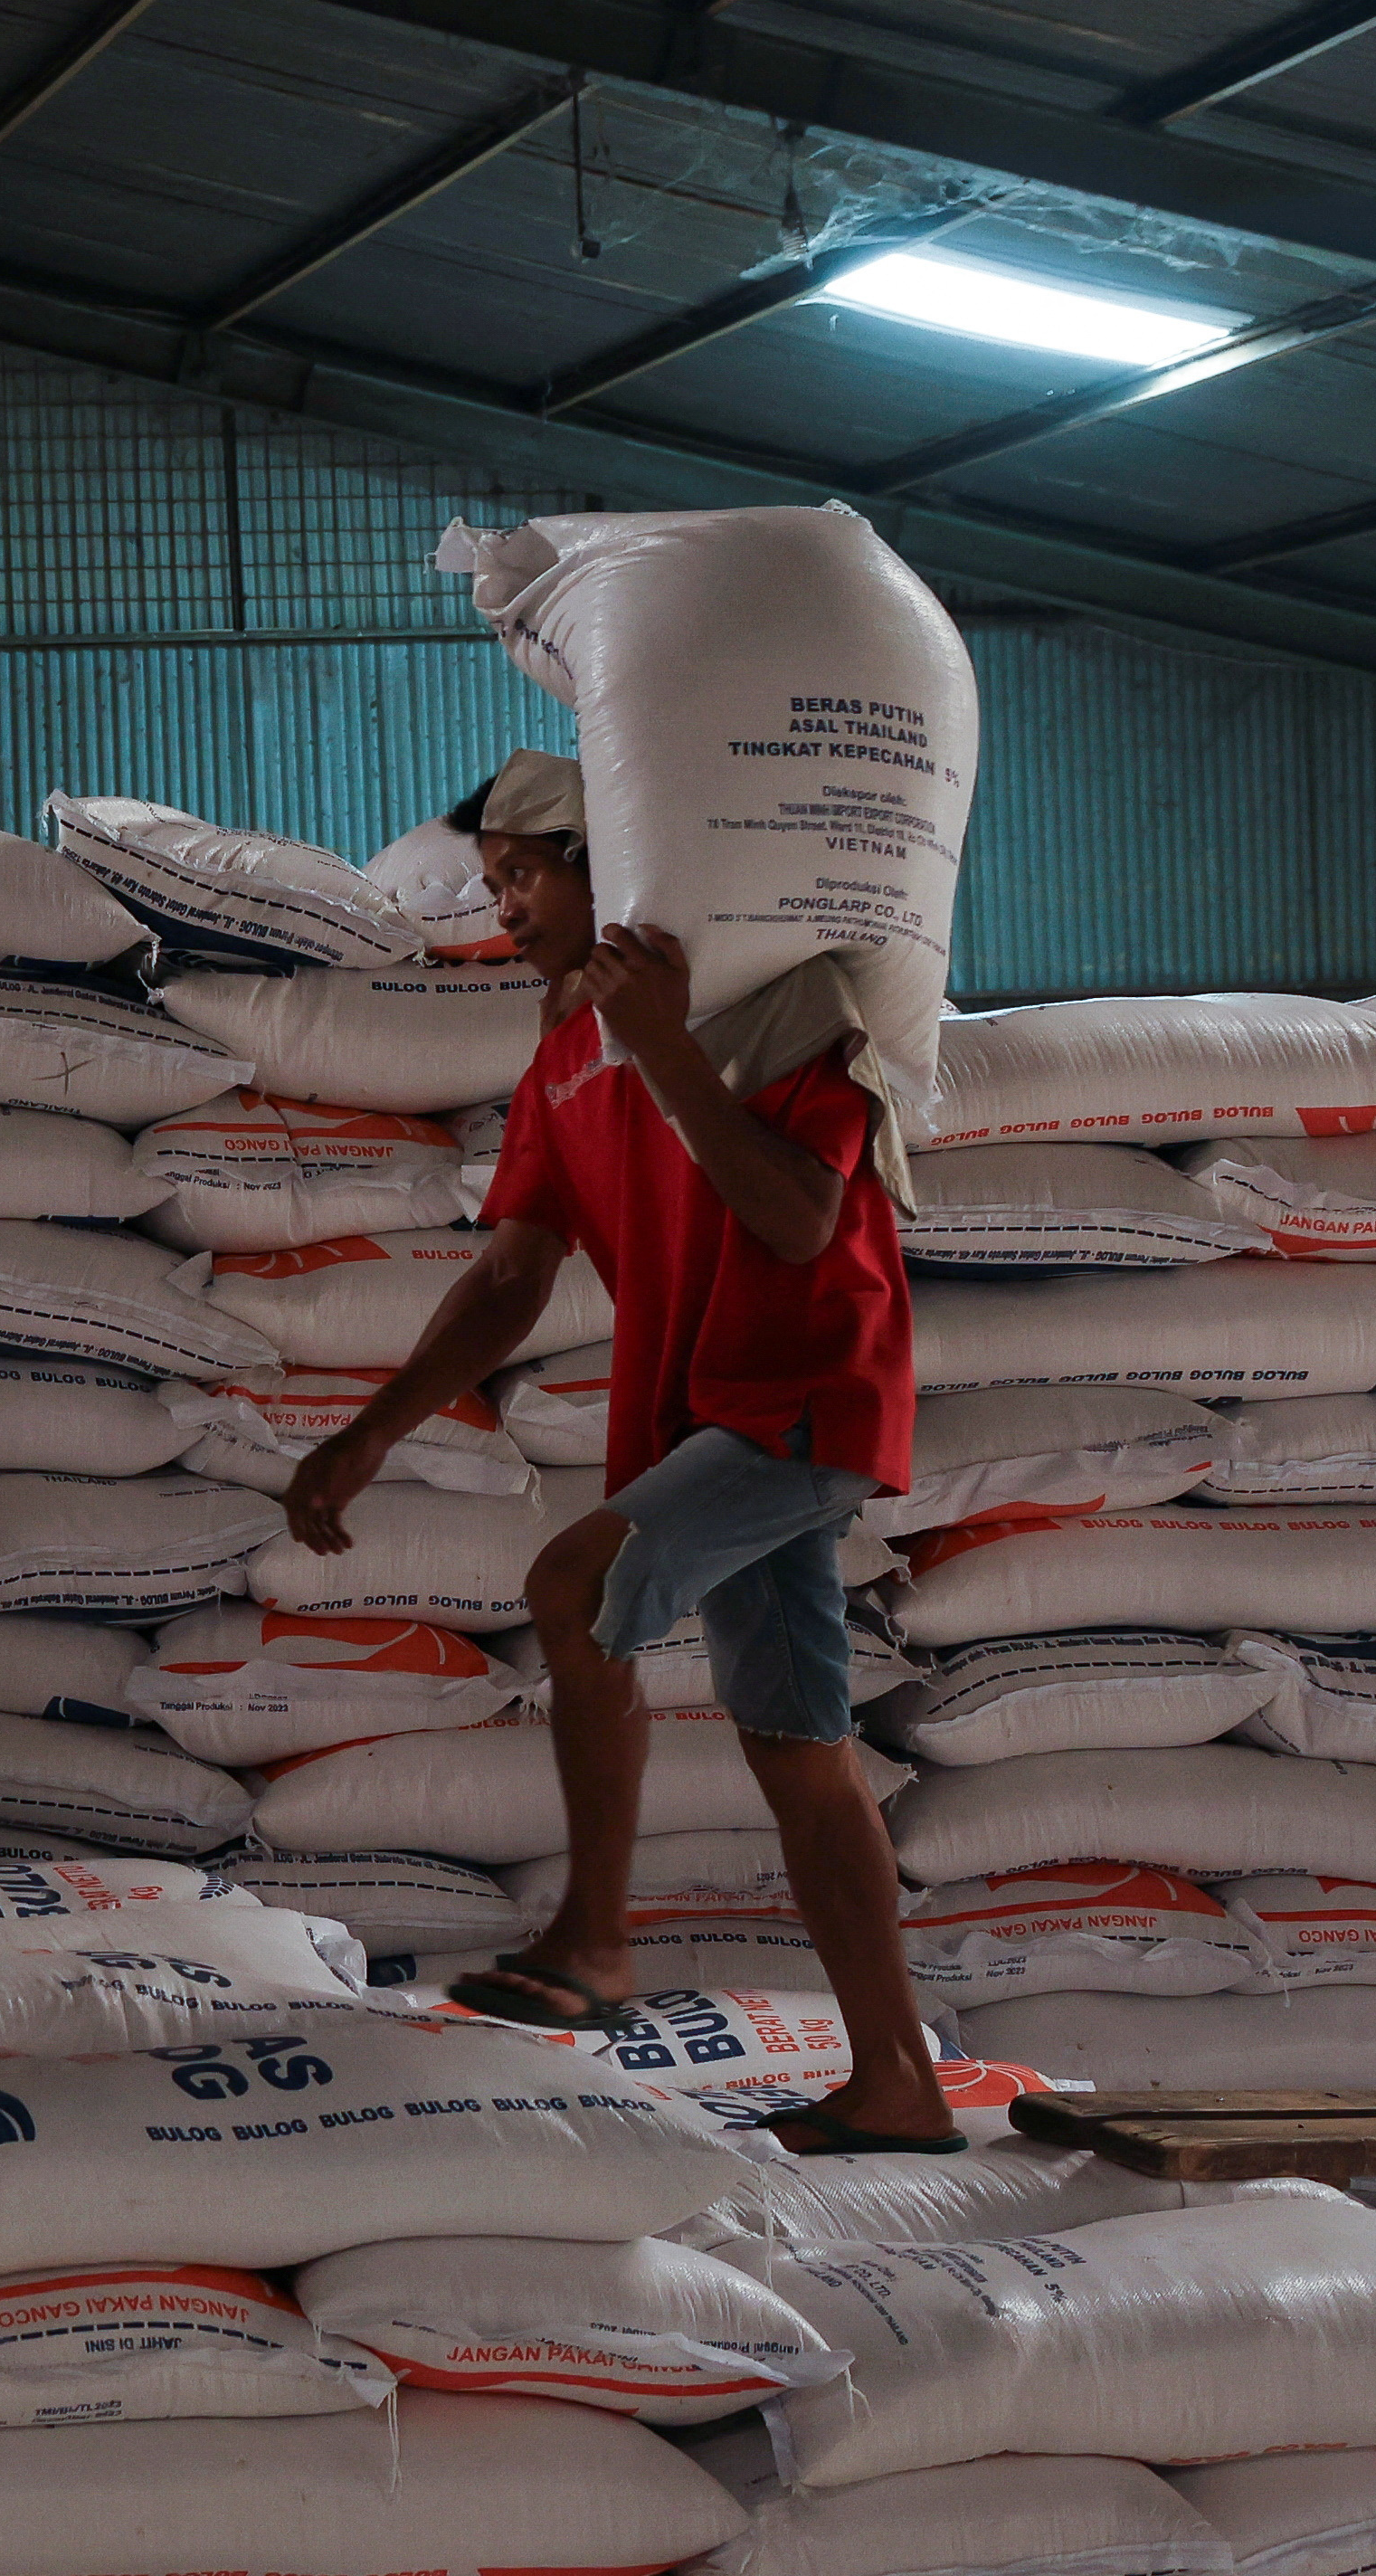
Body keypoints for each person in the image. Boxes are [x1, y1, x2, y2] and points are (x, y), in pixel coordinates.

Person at [284, 747, 959, 2156]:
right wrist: (369, 1434)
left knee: (573, 1594)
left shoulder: (786, 1010)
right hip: (701, 1422)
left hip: (802, 1395)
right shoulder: (559, 1063)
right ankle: (897, 2077)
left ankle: (595, 1942)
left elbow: (794, 1220)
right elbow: (510, 1281)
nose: (505, 909)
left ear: (609, 859)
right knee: (801, 1753)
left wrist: (661, 1041)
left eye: (524, 875)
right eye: (490, 885)